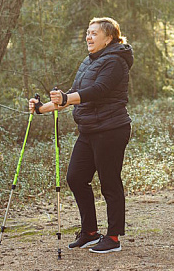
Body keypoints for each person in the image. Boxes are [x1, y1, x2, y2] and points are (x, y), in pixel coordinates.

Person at [30, 17, 133, 254]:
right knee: (76, 178)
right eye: (87, 32)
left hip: (111, 130)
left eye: (94, 33)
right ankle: (89, 232)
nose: (88, 37)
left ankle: (114, 237)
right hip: (89, 129)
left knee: (110, 183)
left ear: (109, 38)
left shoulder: (116, 61)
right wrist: (41, 108)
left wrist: (66, 99)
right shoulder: (89, 61)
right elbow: (75, 93)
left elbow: (98, 91)